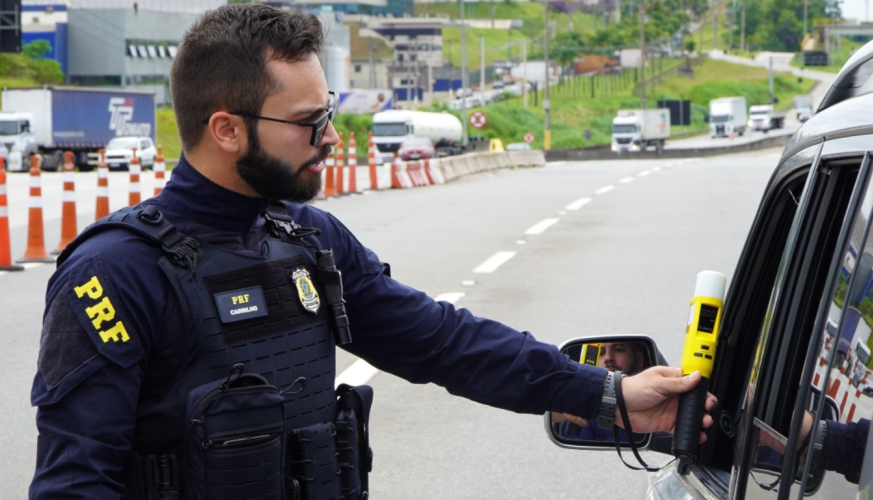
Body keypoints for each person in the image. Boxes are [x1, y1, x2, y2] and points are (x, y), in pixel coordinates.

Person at [28, 5, 717, 499]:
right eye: (308, 122)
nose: (329, 136)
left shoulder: (307, 238)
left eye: (328, 112)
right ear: (226, 129)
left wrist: (606, 394)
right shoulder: (116, 273)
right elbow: (74, 478)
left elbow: (443, 343)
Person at [554, 342, 648, 442]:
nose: (608, 358)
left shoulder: (652, 399)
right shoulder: (584, 416)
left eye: (619, 349)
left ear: (639, 359)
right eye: (600, 352)